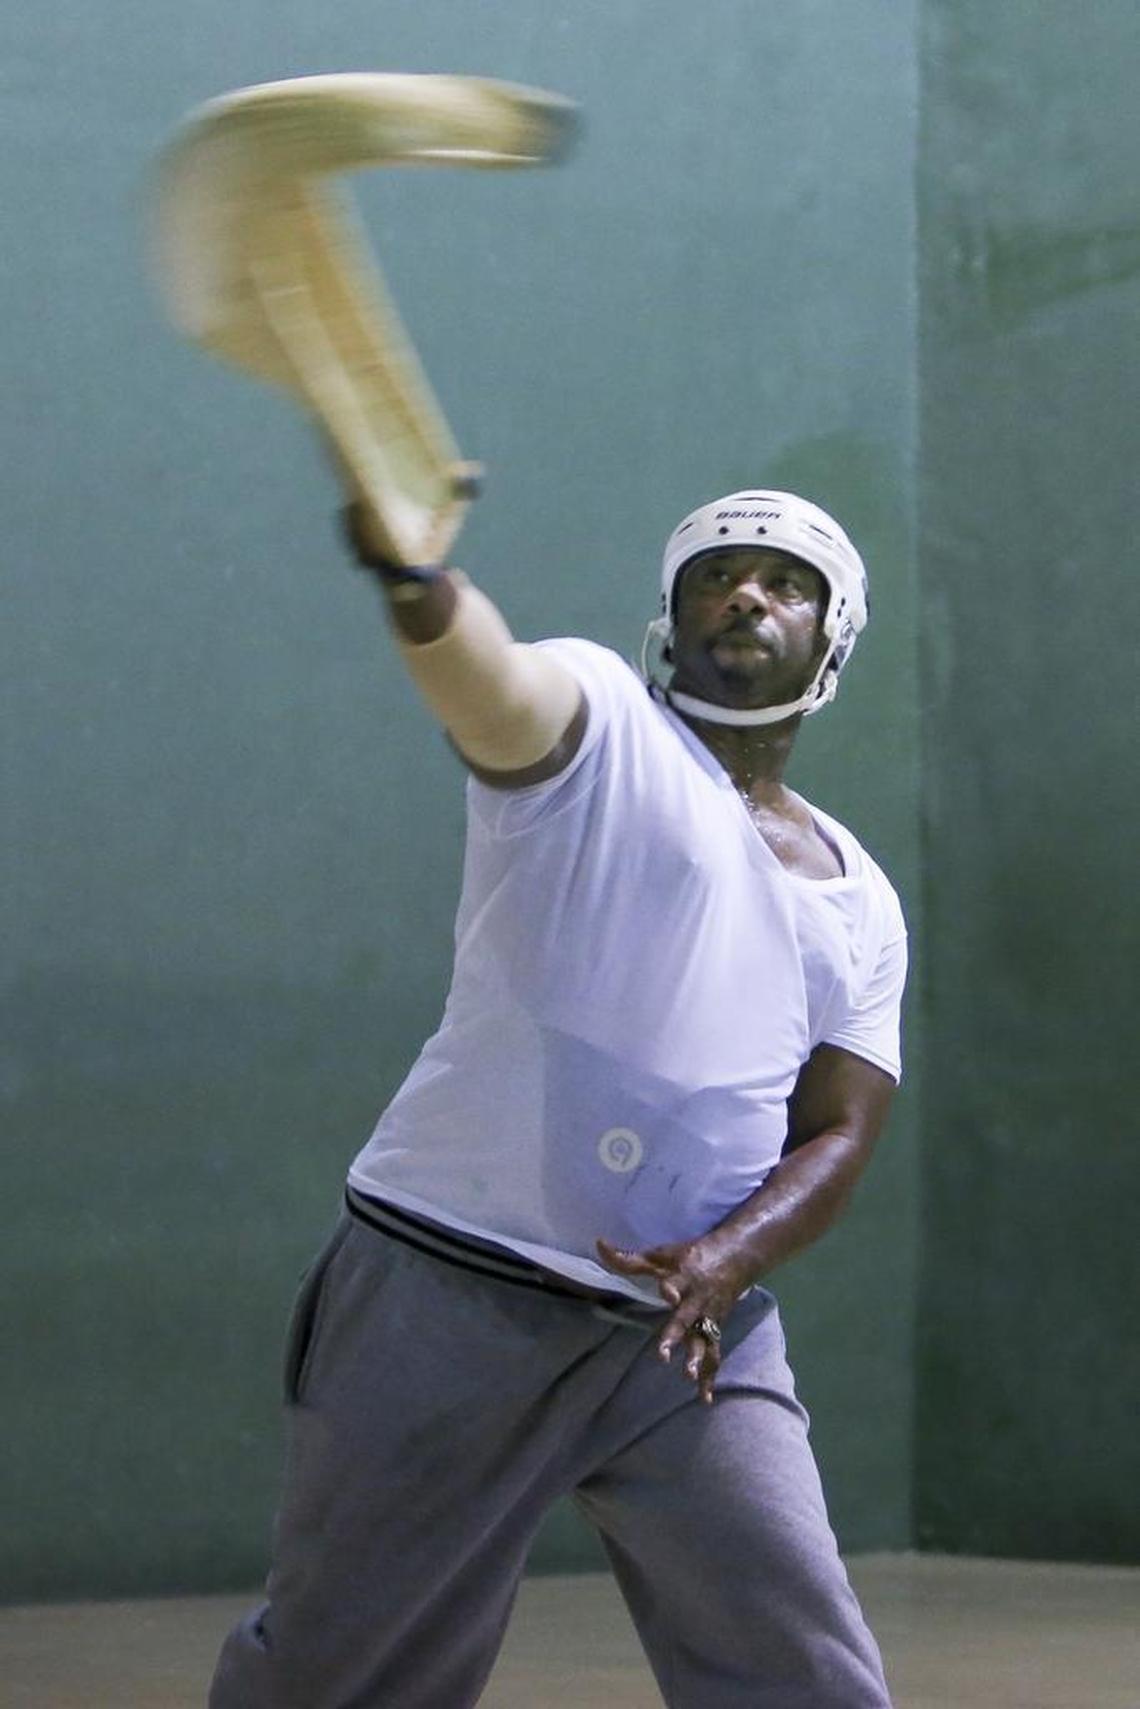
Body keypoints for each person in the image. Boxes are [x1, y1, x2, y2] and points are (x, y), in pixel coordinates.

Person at [210, 488, 907, 1708]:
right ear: (670, 619)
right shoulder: (606, 735)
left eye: (784, 581)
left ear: (834, 639)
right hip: (450, 1286)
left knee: (805, 1672)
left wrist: (722, 1259)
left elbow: (840, 1127)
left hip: (684, 1331)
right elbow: (492, 689)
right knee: (341, 1678)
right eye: (715, 576)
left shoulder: (860, 893)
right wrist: (422, 586)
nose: (744, 593)